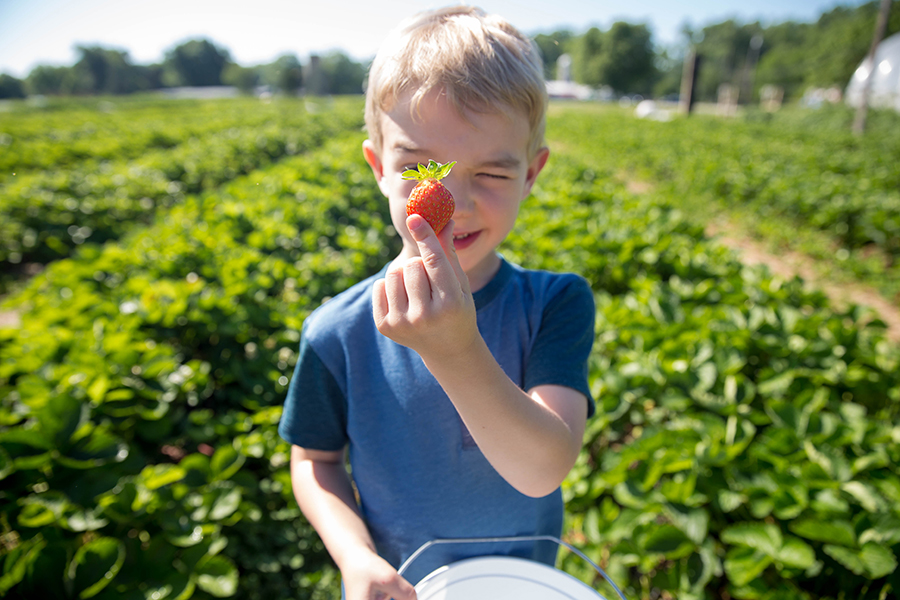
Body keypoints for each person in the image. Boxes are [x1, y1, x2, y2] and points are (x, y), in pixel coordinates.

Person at [278, 6, 595, 599]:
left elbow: (543, 468)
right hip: (405, 586)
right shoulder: (337, 331)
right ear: (378, 167)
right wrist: (354, 556)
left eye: (492, 174)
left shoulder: (556, 304)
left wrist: (454, 349)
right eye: (424, 168)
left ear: (532, 173)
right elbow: (313, 461)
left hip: (522, 583)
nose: (455, 202)